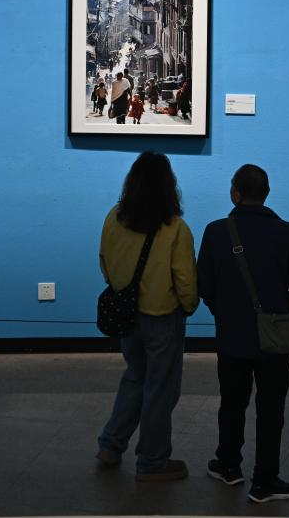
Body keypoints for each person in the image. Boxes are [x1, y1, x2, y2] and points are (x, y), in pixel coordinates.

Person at [196, 164, 289, 504]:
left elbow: (205, 283)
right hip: (275, 338)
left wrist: (223, 312)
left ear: (235, 193)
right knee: (271, 409)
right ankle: (265, 480)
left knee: (232, 402)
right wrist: (286, 314)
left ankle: (228, 464)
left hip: (232, 335)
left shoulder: (216, 232)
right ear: (267, 193)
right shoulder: (287, 234)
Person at [96, 152, 198, 481]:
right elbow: (184, 278)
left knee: (135, 378)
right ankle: (152, 461)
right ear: (169, 186)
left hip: (126, 314)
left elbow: (104, 261)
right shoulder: (175, 228)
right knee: (160, 389)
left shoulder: (114, 217)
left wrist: (120, 288)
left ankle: (111, 445)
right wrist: (189, 305)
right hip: (162, 316)